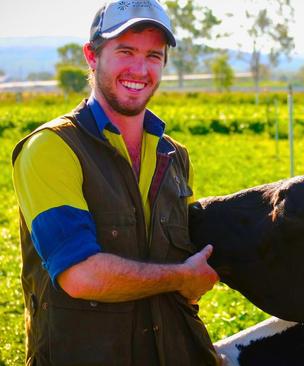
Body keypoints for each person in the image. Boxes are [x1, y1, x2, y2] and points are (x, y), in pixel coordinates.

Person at [12, 1, 222, 364]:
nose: (140, 69)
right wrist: (180, 278)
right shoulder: (52, 148)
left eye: (153, 56)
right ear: (91, 56)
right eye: (125, 51)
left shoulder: (174, 156)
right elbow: (81, 275)